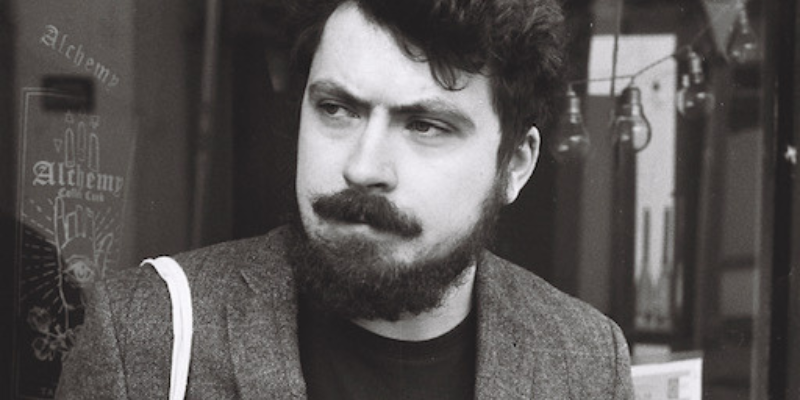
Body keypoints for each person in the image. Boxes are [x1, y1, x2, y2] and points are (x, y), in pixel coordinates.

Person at [56, 0, 633, 398]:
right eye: (337, 109)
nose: (362, 167)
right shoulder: (147, 337)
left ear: (515, 165)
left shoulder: (584, 360)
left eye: (425, 125)